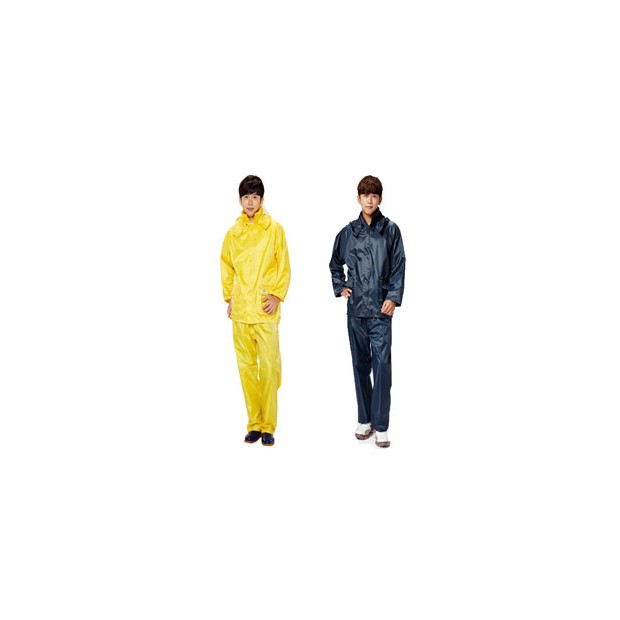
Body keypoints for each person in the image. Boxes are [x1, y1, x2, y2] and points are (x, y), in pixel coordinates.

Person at [329, 175, 405, 448]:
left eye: (374, 195)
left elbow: (399, 265)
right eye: (365, 195)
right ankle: (365, 420)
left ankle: (381, 425)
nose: (369, 200)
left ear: (380, 199)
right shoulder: (348, 233)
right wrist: (341, 287)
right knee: (360, 365)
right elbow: (334, 263)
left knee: (382, 366)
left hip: (381, 311)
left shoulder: (390, 230)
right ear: (358, 199)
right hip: (356, 311)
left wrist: (393, 298)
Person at [221, 175, 291, 446]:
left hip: (264, 311)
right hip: (240, 313)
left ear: (262, 199)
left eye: (255, 197)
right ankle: (254, 423)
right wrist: (230, 297)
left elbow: (283, 265)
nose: (250, 202)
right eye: (246, 197)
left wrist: (277, 295)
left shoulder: (274, 229)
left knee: (270, 368)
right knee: (247, 370)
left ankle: (268, 425)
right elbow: (226, 266)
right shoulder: (233, 234)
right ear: (240, 200)